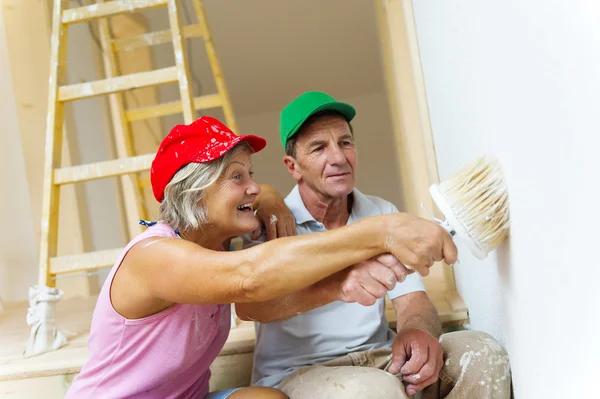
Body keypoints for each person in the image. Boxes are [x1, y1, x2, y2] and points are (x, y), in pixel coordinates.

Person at [65, 115, 458, 399]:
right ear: (196, 190)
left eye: (252, 175)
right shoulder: (153, 257)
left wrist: (338, 280)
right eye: (238, 176)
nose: (254, 187)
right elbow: (250, 278)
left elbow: (257, 256)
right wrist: (381, 232)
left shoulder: (218, 245)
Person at [236, 91, 511, 398]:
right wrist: (339, 284)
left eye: (345, 142)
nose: (338, 157)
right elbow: (250, 307)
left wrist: (416, 332)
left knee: (481, 353)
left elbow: (413, 300)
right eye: (319, 148)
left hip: (380, 359)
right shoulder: (270, 223)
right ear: (293, 166)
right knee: (372, 391)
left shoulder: (381, 212)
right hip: (301, 372)